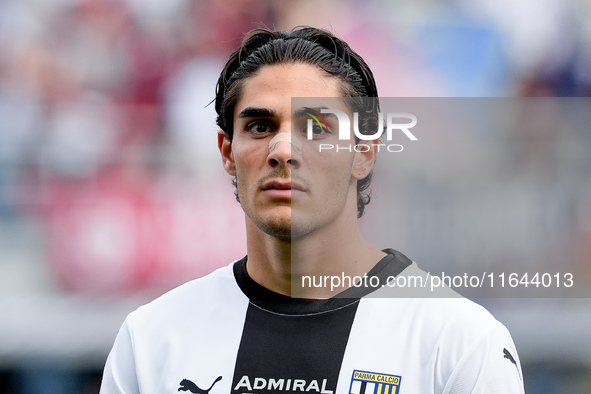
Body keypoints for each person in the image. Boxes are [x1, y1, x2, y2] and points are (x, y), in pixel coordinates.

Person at [100, 26, 525, 394]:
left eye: (316, 127)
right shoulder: (151, 340)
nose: (283, 149)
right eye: (260, 126)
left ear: (364, 154)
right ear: (228, 153)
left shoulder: (458, 343)